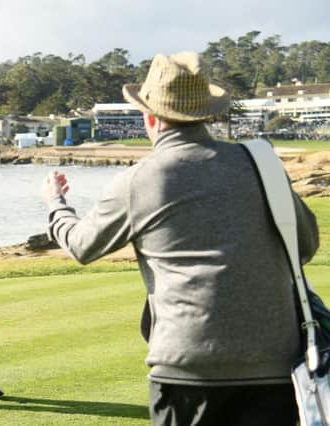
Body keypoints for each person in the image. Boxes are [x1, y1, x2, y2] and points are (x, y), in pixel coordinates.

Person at [42, 52, 319, 425]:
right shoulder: (262, 165)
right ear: (206, 114)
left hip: (187, 372)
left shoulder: (141, 180)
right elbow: (304, 245)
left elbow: (80, 246)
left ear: (151, 117)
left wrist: (56, 204)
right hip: (276, 369)